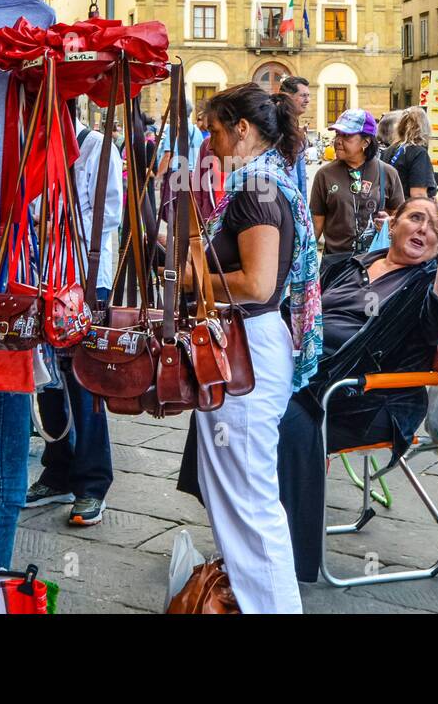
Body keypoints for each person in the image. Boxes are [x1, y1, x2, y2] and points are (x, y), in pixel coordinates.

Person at [175, 84, 322, 613]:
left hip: (248, 350)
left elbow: (258, 285)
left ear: (242, 128)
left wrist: (194, 281)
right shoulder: (263, 181)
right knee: (238, 499)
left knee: (249, 505)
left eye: (215, 130)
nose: (209, 143)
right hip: (251, 347)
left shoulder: (257, 187)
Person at [277, 197, 438, 581]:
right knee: (226, 392)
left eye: (434, 228)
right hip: (307, 377)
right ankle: (240, 517)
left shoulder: (426, 284)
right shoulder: (349, 265)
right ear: (392, 223)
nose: (423, 229)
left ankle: (284, 554)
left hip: (367, 401)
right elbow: (301, 308)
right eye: (415, 218)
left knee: (278, 418)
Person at [25, 111, 123, 526]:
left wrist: (58, 224)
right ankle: (58, 467)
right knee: (46, 380)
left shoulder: (98, 148)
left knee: (85, 383)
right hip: (40, 279)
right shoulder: (32, 148)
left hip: (83, 283)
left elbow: (112, 214)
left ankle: (91, 483)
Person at [310, 109, 404, 277]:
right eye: (337, 134)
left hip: (374, 264)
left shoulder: (387, 173)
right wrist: (305, 266)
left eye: (346, 136)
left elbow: (400, 217)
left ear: (366, 142)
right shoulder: (325, 175)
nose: (338, 141)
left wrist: (389, 223)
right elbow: (315, 226)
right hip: (335, 266)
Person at [383, 107, 437, 198]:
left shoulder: (389, 150)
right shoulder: (419, 154)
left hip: (387, 208)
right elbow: (418, 194)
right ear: (425, 128)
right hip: (406, 209)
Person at [279, 75, 312, 196]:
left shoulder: (297, 130)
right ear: (288, 97)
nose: (307, 100)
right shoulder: (276, 128)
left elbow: (300, 175)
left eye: (308, 95)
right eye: (303, 95)